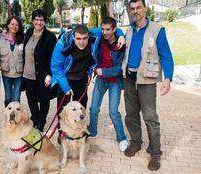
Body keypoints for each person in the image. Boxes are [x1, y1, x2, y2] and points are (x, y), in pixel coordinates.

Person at [122, 0, 174, 170]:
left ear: (144, 8)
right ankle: (136, 142)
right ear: (130, 11)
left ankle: (155, 153)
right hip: (129, 79)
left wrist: (167, 78)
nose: (136, 11)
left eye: (138, 8)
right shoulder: (128, 30)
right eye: (132, 9)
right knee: (131, 114)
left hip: (147, 81)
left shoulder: (157, 29)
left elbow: (166, 55)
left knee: (150, 118)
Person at [51, 25, 125, 111]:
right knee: (63, 112)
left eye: (84, 38)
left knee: (81, 110)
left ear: (88, 36)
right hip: (65, 78)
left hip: (82, 79)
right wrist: (65, 87)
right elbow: (56, 67)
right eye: (78, 39)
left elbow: (111, 27)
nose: (81, 42)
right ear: (73, 37)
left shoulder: (94, 34)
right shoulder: (63, 43)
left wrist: (121, 36)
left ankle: (80, 125)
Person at [88, 17, 128, 152]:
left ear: (114, 30)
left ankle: (122, 138)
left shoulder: (121, 45)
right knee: (93, 109)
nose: (104, 32)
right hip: (100, 80)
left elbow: (119, 68)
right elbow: (88, 30)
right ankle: (92, 132)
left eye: (107, 30)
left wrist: (102, 71)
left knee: (113, 112)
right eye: (103, 29)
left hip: (114, 82)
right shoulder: (100, 37)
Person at [23, 9, 57, 132]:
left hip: (43, 75)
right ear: (32, 21)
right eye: (36, 19)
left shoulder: (50, 37)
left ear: (44, 21)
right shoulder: (28, 32)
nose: (38, 22)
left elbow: (53, 58)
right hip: (28, 74)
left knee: (43, 99)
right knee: (31, 99)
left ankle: (41, 122)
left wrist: (49, 74)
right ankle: (35, 118)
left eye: (41, 20)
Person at [0, 15, 24, 107]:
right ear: (8, 25)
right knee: (8, 97)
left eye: (17, 25)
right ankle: (8, 117)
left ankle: (17, 117)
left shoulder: (23, 39)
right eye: (12, 24)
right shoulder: (0, 38)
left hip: (19, 74)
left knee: (16, 98)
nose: (14, 26)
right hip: (6, 73)